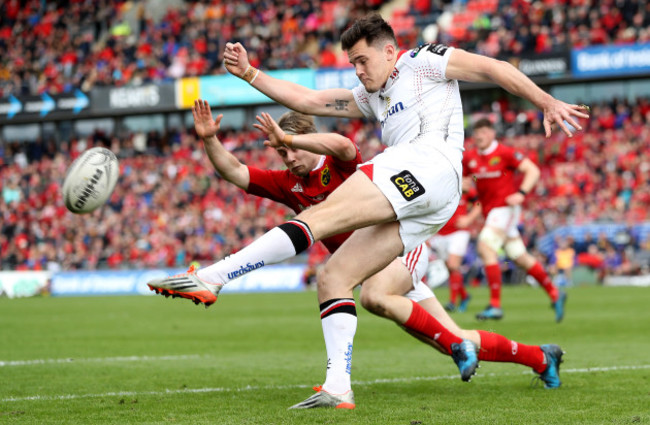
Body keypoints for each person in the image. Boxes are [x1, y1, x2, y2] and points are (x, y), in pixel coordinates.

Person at [149, 13, 587, 406]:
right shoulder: (370, 96)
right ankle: (339, 387)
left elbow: (494, 68)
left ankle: (213, 277)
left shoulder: (423, 61)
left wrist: (545, 100)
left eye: (363, 60)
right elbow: (310, 101)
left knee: (318, 221)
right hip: (425, 196)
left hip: (428, 163)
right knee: (334, 277)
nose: (358, 71)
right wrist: (250, 74)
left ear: (390, 50)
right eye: (352, 64)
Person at [463, 118, 568, 322]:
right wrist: (465, 184)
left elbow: (533, 170)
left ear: (492, 133)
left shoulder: (505, 152)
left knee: (485, 248)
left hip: (506, 209)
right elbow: (464, 179)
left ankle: (495, 305)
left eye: (484, 131)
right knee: (519, 256)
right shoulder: (470, 157)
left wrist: (521, 192)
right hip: (491, 212)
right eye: (476, 132)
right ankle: (555, 292)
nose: (479, 136)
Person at [426, 188, 481, 313]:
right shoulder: (438, 186)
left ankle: (452, 302)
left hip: (459, 232)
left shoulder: (463, 185)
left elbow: (478, 204)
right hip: (440, 233)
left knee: (452, 264)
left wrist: (469, 218)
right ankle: (465, 296)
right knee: (450, 268)